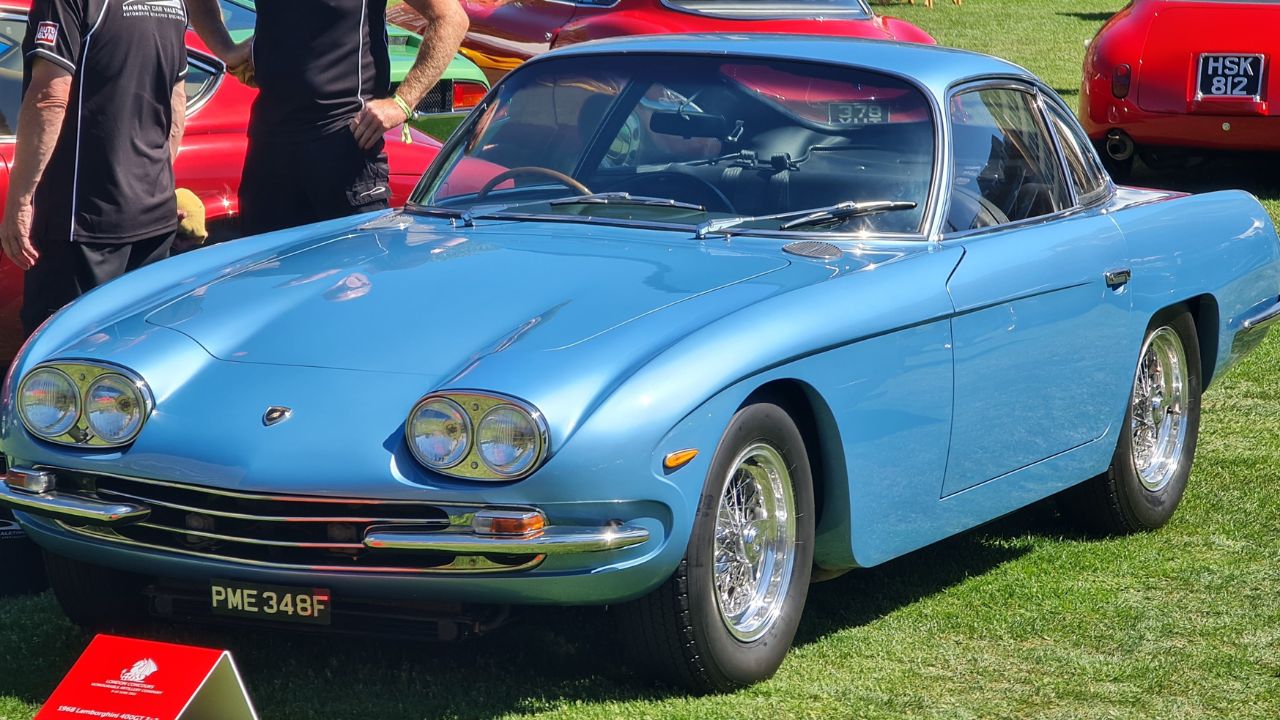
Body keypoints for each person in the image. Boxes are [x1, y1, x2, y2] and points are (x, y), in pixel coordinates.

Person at [186, 0, 468, 236]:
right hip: (269, 151)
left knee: (355, 284)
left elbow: (451, 19)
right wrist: (227, 50)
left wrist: (402, 102)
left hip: (344, 145)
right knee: (269, 287)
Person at [0, 0, 189, 336]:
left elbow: (50, 96)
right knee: (135, 352)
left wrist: (20, 200)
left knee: (63, 361)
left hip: (84, 222)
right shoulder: (172, 3)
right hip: (153, 214)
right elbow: (176, 97)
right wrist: (154, 178)